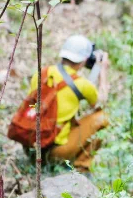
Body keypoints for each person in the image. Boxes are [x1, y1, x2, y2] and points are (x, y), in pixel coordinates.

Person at [28, 35, 110, 171]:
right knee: (103, 118)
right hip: (55, 152)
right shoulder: (82, 85)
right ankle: (82, 167)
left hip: (31, 145)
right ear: (85, 60)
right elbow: (100, 104)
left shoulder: (41, 73)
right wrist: (103, 71)